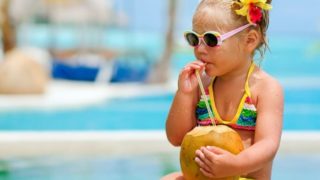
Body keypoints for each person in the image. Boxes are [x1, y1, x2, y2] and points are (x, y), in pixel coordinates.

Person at [163, 0, 283, 179]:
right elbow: (176, 138)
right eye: (194, 39)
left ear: (249, 40)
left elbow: (268, 145)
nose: (200, 49)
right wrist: (185, 94)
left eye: (211, 40)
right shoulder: (201, 85)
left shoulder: (266, 88)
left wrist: (235, 165)